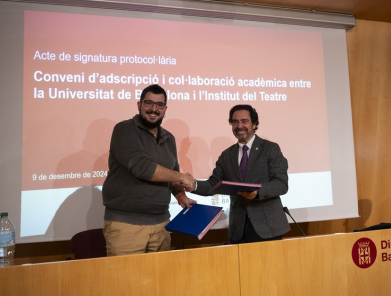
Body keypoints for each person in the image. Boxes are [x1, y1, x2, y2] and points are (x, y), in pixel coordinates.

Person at [102, 84, 196, 256]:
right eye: (149, 103)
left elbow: (172, 176)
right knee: (127, 281)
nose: (154, 109)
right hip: (127, 227)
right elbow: (143, 168)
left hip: (161, 225)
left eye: (159, 105)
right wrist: (183, 177)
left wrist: (182, 197)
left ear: (165, 109)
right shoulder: (125, 129)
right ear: (139, 105)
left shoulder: (169, 138)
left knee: (159, 281)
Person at [188, 104, 290, 244]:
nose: (239, 125)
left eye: (244, 121)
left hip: (268, 228)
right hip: (238, 230)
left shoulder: (270, 149)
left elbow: (281, 184)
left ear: (254, 124)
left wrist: (258, 192)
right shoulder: (226, 155)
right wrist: (193, 185)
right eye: (235, 122)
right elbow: (213, 184)